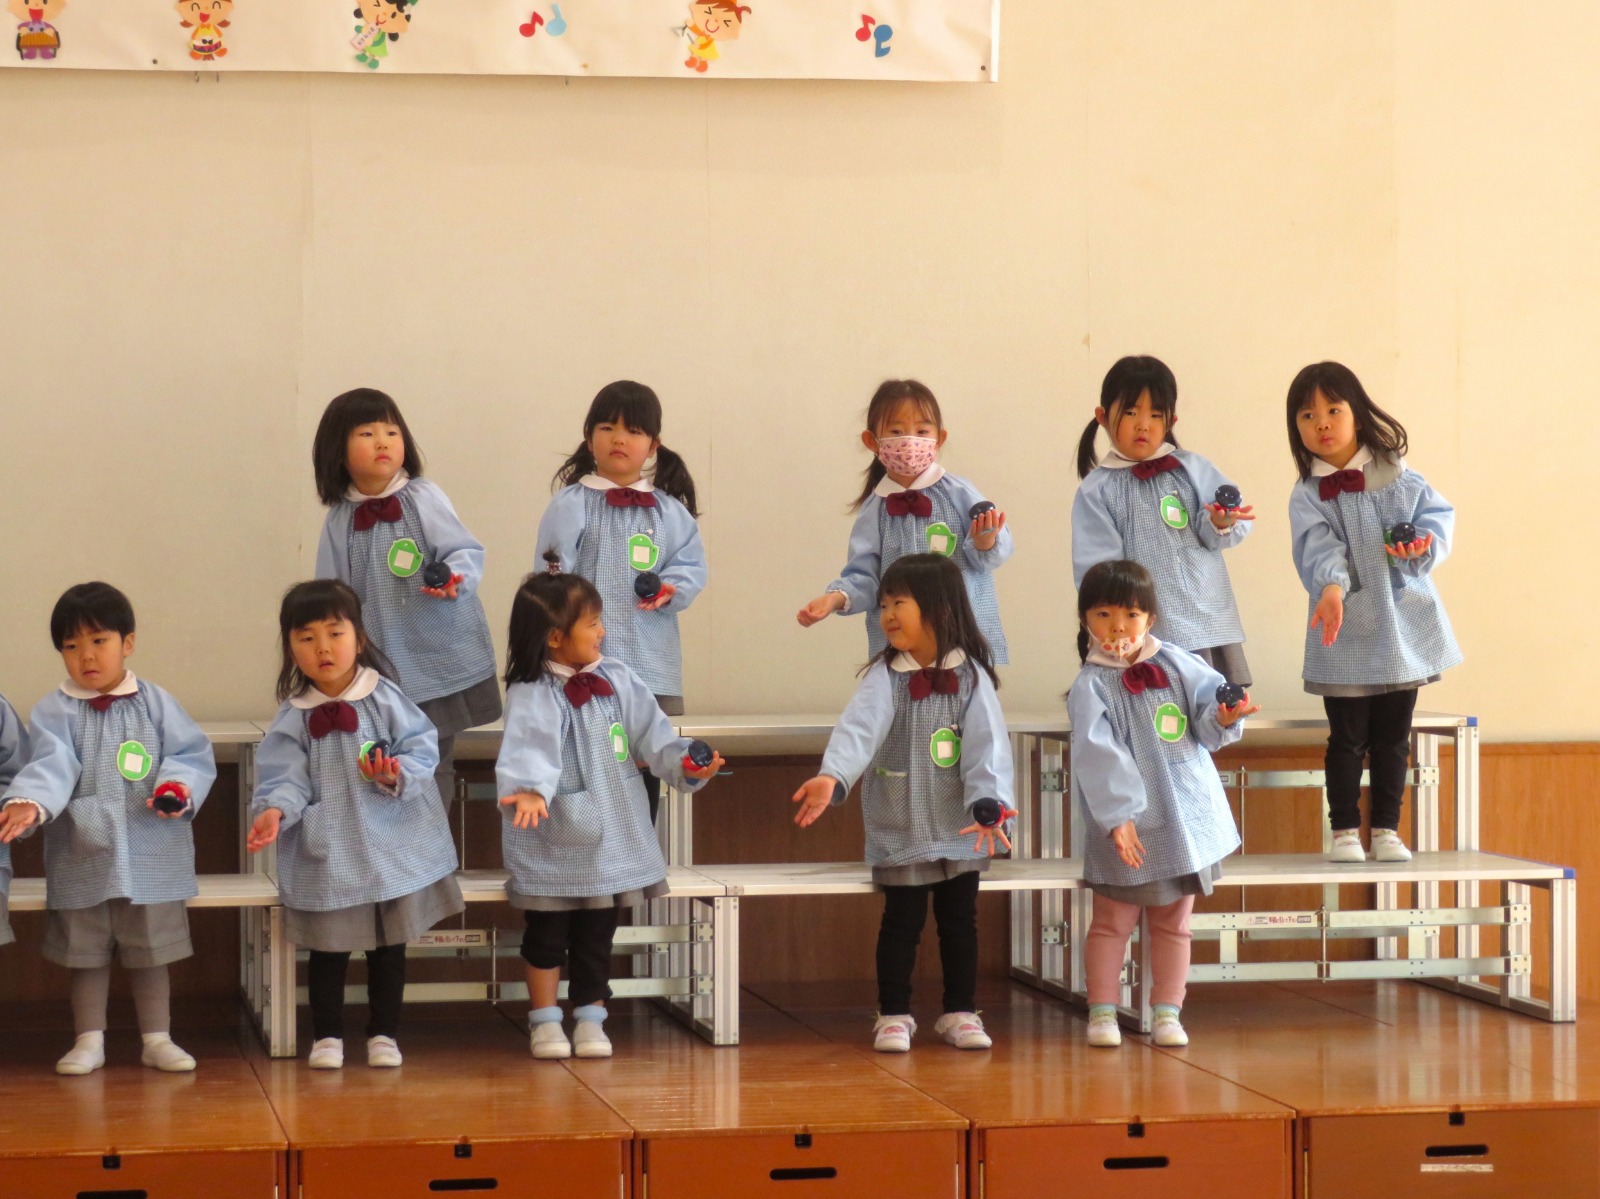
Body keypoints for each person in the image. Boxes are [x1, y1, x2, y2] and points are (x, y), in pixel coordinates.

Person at [497, 567, 724, 1060]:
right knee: (547, 933)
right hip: (553, 834)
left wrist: (685, 762)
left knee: (598, 934)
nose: (602, 631)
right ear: (555, 637)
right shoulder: (532, 690)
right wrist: (531, 790)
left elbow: (653, 734)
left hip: (614, 834)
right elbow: (528, 745)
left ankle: (591, 1019)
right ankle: (544, 1022)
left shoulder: (618, 677)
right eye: (592, 623)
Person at [793, 554, 1015, 1054]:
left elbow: (989, 748)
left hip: (961, 824)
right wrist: (832, 776)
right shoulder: (884, 676)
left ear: (938, 608)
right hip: (902, 821)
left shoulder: (972, 677)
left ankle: (961, 1011)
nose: (887, 615)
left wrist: (990, 803)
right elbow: (857, 730)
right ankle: (894, 1014)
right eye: (884, 605)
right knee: (901, 922)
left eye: (899, 603)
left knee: (960, 922)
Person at [0, 583, 216, 1075]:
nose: (86, 656)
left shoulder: (157, 703)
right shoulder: (54, 710)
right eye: (71, 646)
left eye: (98, 641)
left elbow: (189, 753)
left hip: (150, 847)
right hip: (83, 849)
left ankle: (157, 1038)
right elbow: (51, 763)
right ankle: (88, 1040)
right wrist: (31, 801)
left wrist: (177, 787)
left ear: (128, 643)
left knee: (151, 950)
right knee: (87, 953)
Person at [248, 579, 464, 1070]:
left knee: (389, 947)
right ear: (290, 648)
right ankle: (327, 1035)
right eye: (307, 638)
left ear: (359, 638)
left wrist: (395, 773)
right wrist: (276, 810)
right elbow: (285, 778)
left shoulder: (384, 697)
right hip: (332, 851)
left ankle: (384, 1033)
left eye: (334, 633)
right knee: (329, 949)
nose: (323, 648)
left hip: (390, 844)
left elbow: (421, 747)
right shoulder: (293, 716)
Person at [1287, 361, 1460, 863]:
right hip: (1342, 626)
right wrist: (1331, 587)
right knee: (1346, 739)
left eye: (1333, 410)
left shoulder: (1399, 476)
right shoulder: (1309, 494)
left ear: (1357, 413)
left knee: (1393, 739)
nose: (1321, 423)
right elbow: (1318, 549)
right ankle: (1344, 831)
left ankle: (1386, 830)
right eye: (1307, 416)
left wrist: (1421, 546)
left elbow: (1436, 518)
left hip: (1402, 622)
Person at [1072, 355, 1254, 684]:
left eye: (1156, 415)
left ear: (1171, 420)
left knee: (1215, 702)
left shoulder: (1193, 468)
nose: (1143, 424)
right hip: (1146, 627)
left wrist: (1221, 522)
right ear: (1103, 417)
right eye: (1130, 412)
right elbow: (1099, 569)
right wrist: (1113, 623)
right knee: (1161, 704)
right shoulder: (1097, 490)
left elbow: (1227, 524)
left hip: (1207, 616)